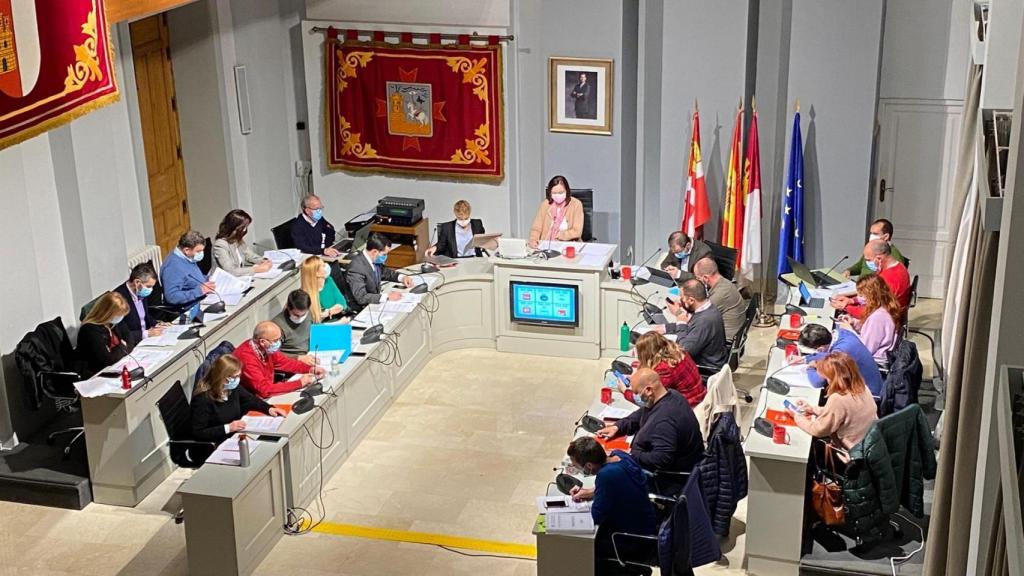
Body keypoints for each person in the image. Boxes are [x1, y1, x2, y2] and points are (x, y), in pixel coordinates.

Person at [566, 436, 657, 576]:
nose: (578, 470)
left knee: (581, 548)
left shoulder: (605, 476)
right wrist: (590, 492)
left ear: (589, 466)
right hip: (647, 524)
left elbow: (596, 516)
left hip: (631, 539)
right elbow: (619, 485)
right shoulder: (620, 455)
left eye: (577, 466)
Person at [597, 368, 704, 479]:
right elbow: (643, 413)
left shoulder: (664, 422)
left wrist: (633, 455)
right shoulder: (671, 395)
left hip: (671, 477)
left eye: (636, 393)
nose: (634, 395)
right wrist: (618, 426)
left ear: (648, 390)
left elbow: (661, 459)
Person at [792, 352, 878, 453]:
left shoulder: (838, 398)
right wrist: (813, 409)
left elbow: (819, 430)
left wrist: (798, 418)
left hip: (853, 451)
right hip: (872, 444)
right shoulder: (862, 387)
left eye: (827, 378)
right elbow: (842, 414)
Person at [190, 354, 286, 444]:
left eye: (239, 376)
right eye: (235, 377)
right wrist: (228, 428)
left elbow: (250, 400)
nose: (237, 380)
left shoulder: (232, 388)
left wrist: (269, 408)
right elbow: (198, 433)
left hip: (236, 436)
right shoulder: (202, 399)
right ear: (222, 377)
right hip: (216, 444)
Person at [234, 321, 324, 398]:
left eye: (279, 339)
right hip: (253, 398)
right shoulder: (247, 359)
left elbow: (285, 363)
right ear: (262, 342)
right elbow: (264, 390)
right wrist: (300, 383)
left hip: (267, 390)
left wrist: (309, 369)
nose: (278, 343)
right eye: (275, 340)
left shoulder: (267, 348)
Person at [656, 279, 729, 371]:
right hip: (714, 357)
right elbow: (691, 324)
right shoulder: (709, 308)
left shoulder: (704, 321)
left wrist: (679, 318)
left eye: (682, 297)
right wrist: (665, 328)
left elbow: (684, 351)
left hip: (707, 367)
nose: (680, 300)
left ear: (691, 300)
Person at [796, 323, 884, 397]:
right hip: (876, 385)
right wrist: (805, 359)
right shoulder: (842, 333)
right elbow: (827, 354)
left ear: (820, 349)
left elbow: (817, 382)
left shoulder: (839, 354)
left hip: (868, 396)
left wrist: (810, 367)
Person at [831, 240, 910, 318]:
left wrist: (846, 307)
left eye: (868, 260)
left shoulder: (888, 279)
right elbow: (872, 298)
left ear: (879, 258)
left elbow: (872, 313)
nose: (867, 263)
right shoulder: (898, 267)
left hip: (883, 319)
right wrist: (852, 301)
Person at [624, 332, 704, 407]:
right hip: (699, 395)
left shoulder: (664, 369)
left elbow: (648, 400)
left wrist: (625, 392)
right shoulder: (678, 352)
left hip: (688, 405)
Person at [345, 232, 415, 310]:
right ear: (374, 252)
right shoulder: (356, 268)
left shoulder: (374, 260)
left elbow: (385, 272)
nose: (386, 257)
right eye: (384, 254)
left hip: (374, 302)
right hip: (362, 308)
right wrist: (387, 297)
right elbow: (361, 297)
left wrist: (402, 278)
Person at [842, 275, 901, 362]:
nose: (859, 299)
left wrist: (849, 331)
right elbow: (871, 331)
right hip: (875, 354)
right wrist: (854, 323)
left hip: (873, 360)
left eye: (862, 296)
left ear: (871, 296)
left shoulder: (878, 318)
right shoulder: (885, 306)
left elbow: (865, 349)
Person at [75, 292, 134, 375]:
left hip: (116, 366)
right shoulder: (89, 329)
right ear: (106, 313)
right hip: (97, 373)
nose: (120, 318)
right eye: (118, 315)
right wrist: (123, 346)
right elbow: (107, 359)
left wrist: (121, 349)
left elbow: (130, 340)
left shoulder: (114, 323)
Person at [160, 230, 215, 313]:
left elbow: (193, 277)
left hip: (202, 298)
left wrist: (208, 279)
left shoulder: (188, 257)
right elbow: (172, 297)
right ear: (186, 250)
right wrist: (200, 291)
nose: (201, 253)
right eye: (198, 251)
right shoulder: (172, 267)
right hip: (189, 308)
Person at [693, 257, 746, 341]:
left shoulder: (720, 294)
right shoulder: (724, 283)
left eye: (698, 278)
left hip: (726, 340)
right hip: (729, 333)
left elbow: (698, 318)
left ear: (706, 278)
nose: (697, 281)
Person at [113, 262, 167, 344]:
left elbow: (144, 316)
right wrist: (146, 334)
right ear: (137, 282)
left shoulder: (140, 292)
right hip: (133, 343)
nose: (151, 290)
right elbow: (120, 333)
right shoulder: (119, 299)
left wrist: (158, 324)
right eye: (149, 286)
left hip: (149, 339)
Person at [528, 175, 584, 249]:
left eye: (561, 192)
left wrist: (559, 235)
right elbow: (536, 228)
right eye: (554, 193)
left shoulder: (576, 204)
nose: (557, 195)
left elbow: (577, 232)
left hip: (569, 246)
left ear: (567, 191)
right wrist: (533, 240)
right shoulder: (545, 204)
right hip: (546, 245)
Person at [212, 209, 273, 276]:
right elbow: (231, 271)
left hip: (239, 277)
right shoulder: (220, 245)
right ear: (235, 227)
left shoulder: (237, 239)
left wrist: (263, 261)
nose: (245, 230)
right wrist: (256, 269)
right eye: (244, 227)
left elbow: (250, 256)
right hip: (223, 280)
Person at [271, 289, 317, 362]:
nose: (300, 318)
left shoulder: (309, 314)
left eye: (303, 315)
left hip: (311, 353)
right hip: (292, 361)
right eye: (296, 315)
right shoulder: (276, 326)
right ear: (288, 308)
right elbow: (273, 355)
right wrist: (297, 358)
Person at [301, 256, 349, 323]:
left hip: (340, 318)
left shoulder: (329, 280)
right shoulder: (305, 296)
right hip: (329, 325)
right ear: (316, 273)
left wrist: (329, 312)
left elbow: (342, 302)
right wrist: (339, 322)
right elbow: (316, 323)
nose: (326, 266)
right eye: (323, 266)